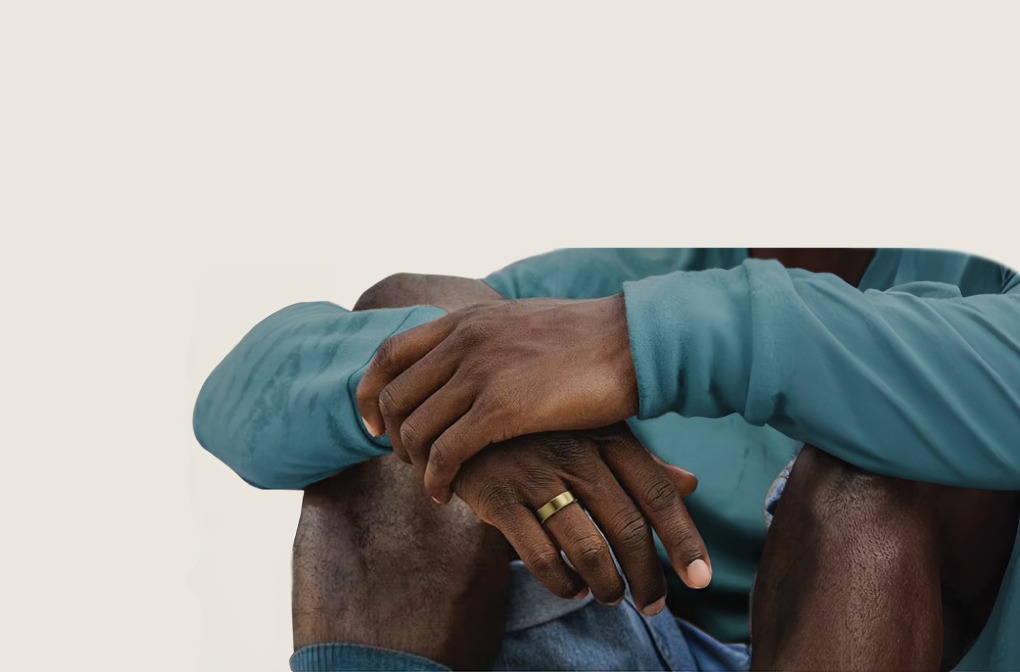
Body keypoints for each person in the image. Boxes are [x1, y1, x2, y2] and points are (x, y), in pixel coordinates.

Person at [194, 248, 1020, 670]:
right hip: (598, 624)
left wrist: (640, 342)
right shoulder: (621, 263)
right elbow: (232, 404)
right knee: (426, 324)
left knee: (889, 441)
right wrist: (466, 404)